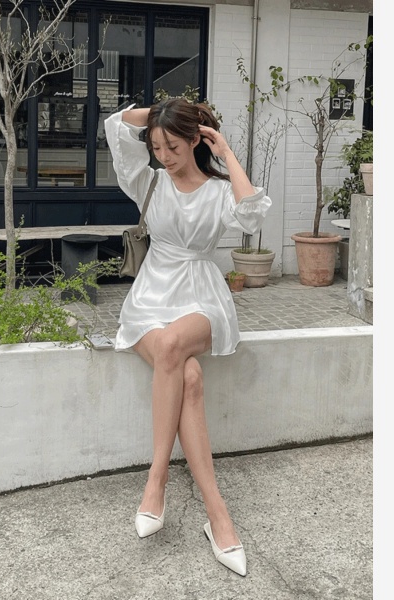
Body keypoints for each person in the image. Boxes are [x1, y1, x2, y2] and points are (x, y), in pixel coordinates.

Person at [104, 98, 271, 577]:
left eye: (173, 147)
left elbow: (251, 217)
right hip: (149, 299)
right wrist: (163, 113)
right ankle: (217, 515)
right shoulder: (149, 181)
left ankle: (156, 480)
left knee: (175, 346)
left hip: (201, 297)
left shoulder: (218, 191)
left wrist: (227, 152)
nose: (164, 156)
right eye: (157, 147)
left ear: (196, 141)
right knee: (189, 376)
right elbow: (117, 124)